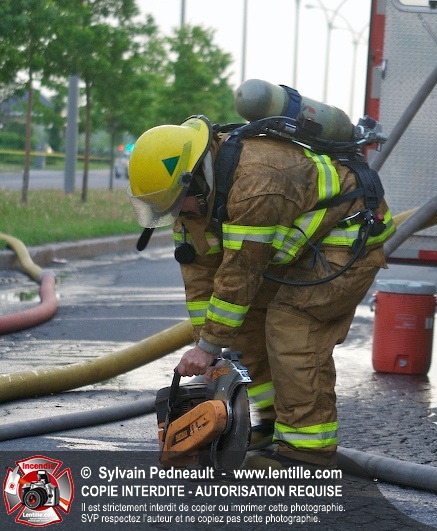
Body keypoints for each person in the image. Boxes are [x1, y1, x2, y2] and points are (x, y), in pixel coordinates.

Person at [127, 115, 394, 468]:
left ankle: (306, 453)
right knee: (245, 324)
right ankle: (271, 424)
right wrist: (206, 348)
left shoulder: (257, 184)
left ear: (195, 179)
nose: (177, 213)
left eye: (177, 203)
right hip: (295, 246)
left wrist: (207, 348)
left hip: (345, 238)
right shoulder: (191, 198)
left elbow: (241, 273)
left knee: (292, 326)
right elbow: (201, 277)